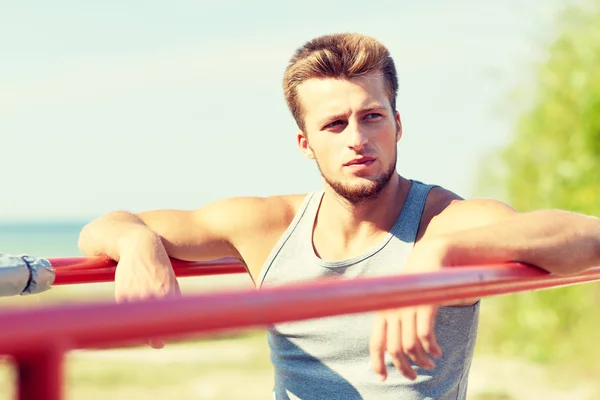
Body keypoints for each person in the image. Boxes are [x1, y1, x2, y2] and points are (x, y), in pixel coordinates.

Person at [77, 33, 600, 399]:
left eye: (372, 117)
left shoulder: (446, 221)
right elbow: (108, 225)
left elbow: (588, 236)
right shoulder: (268, 226)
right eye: (334, 125)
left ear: (397, 124)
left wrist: (440, 255)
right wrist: (138, 245)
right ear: (306, 144)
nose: (357, 139)